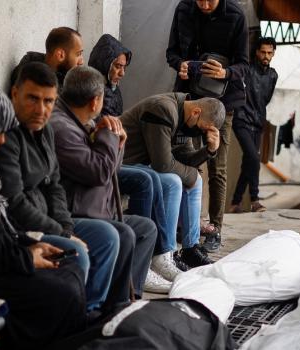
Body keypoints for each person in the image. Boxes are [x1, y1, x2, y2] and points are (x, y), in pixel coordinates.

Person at [0, 83, 86, 349]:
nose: (2, 139)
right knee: (60, 294)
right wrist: (27, 256)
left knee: (71, 268)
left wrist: (29, 244)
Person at [0, 62, 121, 312]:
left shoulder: (46, 130)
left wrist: (67, 227)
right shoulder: (4, 137)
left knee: (109, 237)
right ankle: (69, 319)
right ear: (15, 94)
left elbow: (55, 187)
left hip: (52, 219)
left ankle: (89, 311)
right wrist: (63, 234)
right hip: (21, 227)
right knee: (75, 252)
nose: (41, 109)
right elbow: (13, 202)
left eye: (49, 101)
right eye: (33, 98)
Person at [49, 66, 157, 300]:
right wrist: (109, 135)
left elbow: (111, 171)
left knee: (146, 229)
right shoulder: (61, 127)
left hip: (97, 207)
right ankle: (111, 306)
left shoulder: (81, 121)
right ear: (96, 101)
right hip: (78, 212)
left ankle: (131, 297)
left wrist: (118, 143)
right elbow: (99, 172)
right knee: (124, 234)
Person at [89, 34, 184, 292]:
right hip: (100, 161)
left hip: (114, 157)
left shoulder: (112, 92)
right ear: (104, 62)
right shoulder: (90, 88)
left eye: (123, 67)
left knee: (159, 178)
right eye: (117, 66)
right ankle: (145, 260)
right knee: (148, 178)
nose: (121, 73)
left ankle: (161, 256)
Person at [166, 0, 249, 251]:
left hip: (223, 102)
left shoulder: (236, 15)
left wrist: (226, 73)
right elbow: (171, 53)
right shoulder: (183, 9)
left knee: (217, 167)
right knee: (185, 160)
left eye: (210, 0)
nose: (203, 4)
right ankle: (188, 225)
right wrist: (179, 64)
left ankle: (215, 229)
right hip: (188, 99)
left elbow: (244, 64)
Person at [121, 93, 224, 268]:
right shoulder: (163, 109)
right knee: (173, 182)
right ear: (196, 112)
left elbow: (186, 159)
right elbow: (163, 164)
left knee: (194, 180)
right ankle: (164, 255)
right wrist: (192, 176)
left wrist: (209, 150)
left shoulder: (187, 119)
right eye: (203, 129)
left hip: (144, 166)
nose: (200, 134)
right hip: (122, 163)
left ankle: (190, 249)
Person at [229, 37, 278, 214]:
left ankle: (235, 202)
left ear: (273, 54)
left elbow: (265, 100)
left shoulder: (273, 75)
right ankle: (255, 199)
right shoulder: (246, 70)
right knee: (254, 158)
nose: (266, 56)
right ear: (257, 52)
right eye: (263, 52)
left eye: (269, 53)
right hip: (241, 119)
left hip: (258, 122)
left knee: (249, 162)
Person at [10, 26, 84, 89]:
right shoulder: (30, 78)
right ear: (60, 55)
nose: (81, 62)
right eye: (78, 54)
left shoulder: (65, 76)